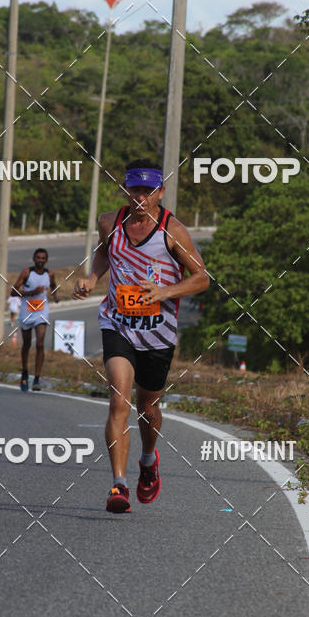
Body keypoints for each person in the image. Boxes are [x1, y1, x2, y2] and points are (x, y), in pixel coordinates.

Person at [73, 160, 209, 513]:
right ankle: (118, 485)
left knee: (148, 407)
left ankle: (148, 459)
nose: (140, 198)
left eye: (148, 192)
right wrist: (92, 278)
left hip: (158, 333)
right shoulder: (109, 222)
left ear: (160, 193)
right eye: (135, 190)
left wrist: (165, 292)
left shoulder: (172, 231)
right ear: (125, 190)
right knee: (119, 401)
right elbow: (104, 251)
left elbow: (202, 278)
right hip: (117, 323)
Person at [11, 248, 58, 391]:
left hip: (41, 312)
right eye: (38, 258)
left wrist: (55, 295)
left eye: (43, 258)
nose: (40, 260)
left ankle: (37, 379)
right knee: (26, 344)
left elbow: (53, 285)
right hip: (26, 311)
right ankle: (25, 372)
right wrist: (32, 292)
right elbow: (13, 291)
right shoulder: (27, 273)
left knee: (39, 343)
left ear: (46, 260)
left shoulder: (50, 274)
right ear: (33, 259)